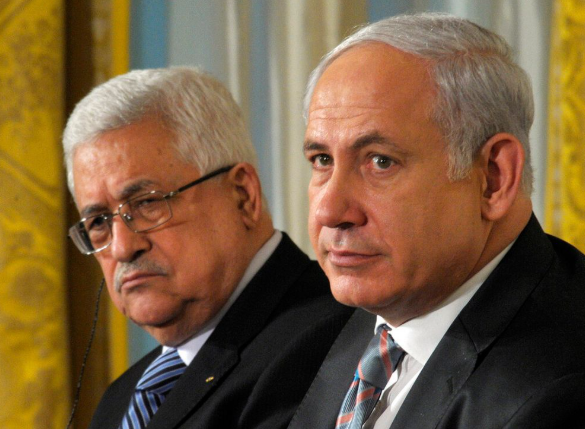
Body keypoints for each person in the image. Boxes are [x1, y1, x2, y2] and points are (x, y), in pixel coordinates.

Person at [289, 12, 585, 429]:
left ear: (494, 178)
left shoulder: (558, 393)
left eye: (380, 162)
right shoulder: (326, 331)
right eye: (322, 160)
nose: (329, 212)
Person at [63, 67, 353, 429]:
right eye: (98, 222)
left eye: (147, 203)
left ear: (243, 196)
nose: (122, 247)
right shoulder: (118, 400)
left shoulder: (328, 341)